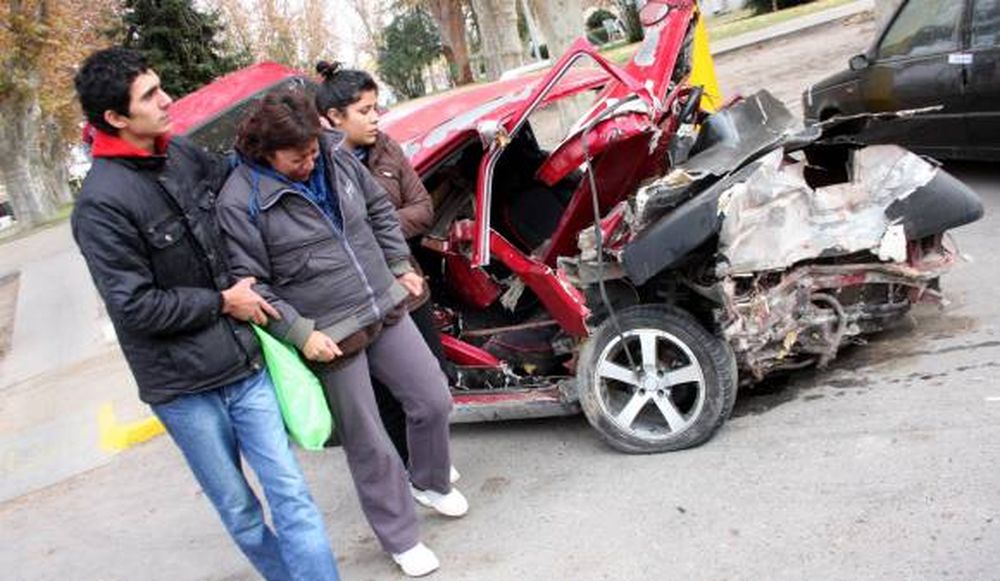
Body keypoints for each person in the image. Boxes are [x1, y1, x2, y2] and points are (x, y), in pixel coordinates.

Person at [71, 48, 340, 581]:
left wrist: (290, 139)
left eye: (159, 86)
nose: (167, 99)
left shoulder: (182, 155)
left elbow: (239, 177)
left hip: (243, 367)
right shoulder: (100, 206)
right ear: (115, 119)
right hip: (183, 390)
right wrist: (222, 302)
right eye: (149, 95)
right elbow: (133, 305)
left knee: (291, 493)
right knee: (242, 513)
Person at [216, 88, 468, 577]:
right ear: (265, 153)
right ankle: (400, 537)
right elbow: (254, 285)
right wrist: (299, 332)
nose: (310, 162)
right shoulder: (239, 201)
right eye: (297, 157)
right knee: (369, 441)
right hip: (326, 331)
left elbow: (377, 209)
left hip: (382, 301)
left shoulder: (334, 153)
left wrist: (397, 262)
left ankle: (430, 480)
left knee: (433, 397)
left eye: (313, 150)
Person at [313, 61, 455, 468]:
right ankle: (414, 467)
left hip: (407, 282)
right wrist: (372, 228)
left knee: (433, 378)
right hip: (361, 297)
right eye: (364, 111)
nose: (375, 118)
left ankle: (431, 459)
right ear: (333, 118)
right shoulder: (320, 166)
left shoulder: (387, 147)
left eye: (376, 107)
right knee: (389, 395)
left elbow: (423, 209)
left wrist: (370, 225)